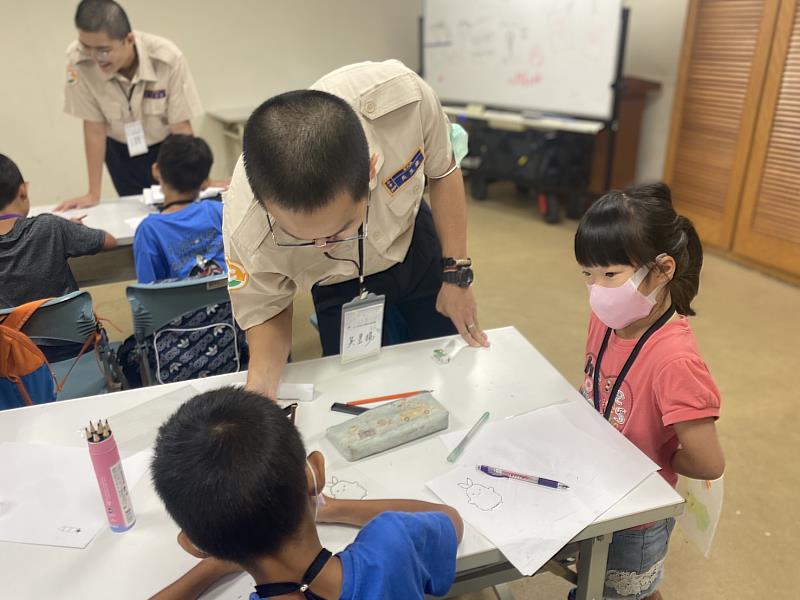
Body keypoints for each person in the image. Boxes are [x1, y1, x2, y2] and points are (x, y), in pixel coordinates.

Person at [223, 60, 489, 401]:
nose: (323, 245)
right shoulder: (246, 228)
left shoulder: (404, 103)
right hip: (337, 286)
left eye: (340, 230)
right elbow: (265, 310)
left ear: (370, 172)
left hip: (410, 242)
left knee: (445, 372)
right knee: (359, 391)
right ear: (265, 206)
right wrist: (259, 392)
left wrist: (456, 275)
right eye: (302, 238)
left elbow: (443, 170)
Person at [149, 386, 463, 600]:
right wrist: (332, 508)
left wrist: (218, 559)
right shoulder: (393, 543)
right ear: (316, 471)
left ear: (193, 545)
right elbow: (449, 520)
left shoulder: (206, 548)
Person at [573, 183, 725, 600]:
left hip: (637, 514)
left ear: (662, 270)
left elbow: (709, 461)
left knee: (624, 589)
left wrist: (658, 454)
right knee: (604, 580)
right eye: (588, 274)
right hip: (600, 483)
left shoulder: (676, 362)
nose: (597, 289)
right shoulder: (607, 317)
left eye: (610, 275)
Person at [58, 0, 202, 210]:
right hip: (119, 150)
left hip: (167, 148)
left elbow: (181, 127)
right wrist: (93, 193)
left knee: (178, 208)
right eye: (87, 47)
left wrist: (198, 181)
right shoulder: (78, 60)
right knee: (134, 211)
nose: (96, 58)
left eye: (104, 50)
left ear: (129, 40)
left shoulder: (167, 58)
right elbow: (94, 128)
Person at [0, 153, 116, 308]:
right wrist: (69, 228)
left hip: (10, 332)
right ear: (23, 191)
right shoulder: (50, 226)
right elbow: (109, 241)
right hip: (68, 332)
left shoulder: (49, 227)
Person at [133, 134, 224, 283]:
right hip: (230, 304)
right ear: (205, 181)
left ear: (156, 170)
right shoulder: (219, 212)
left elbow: (148, 294)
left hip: (181, 307)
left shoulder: (149, 231)